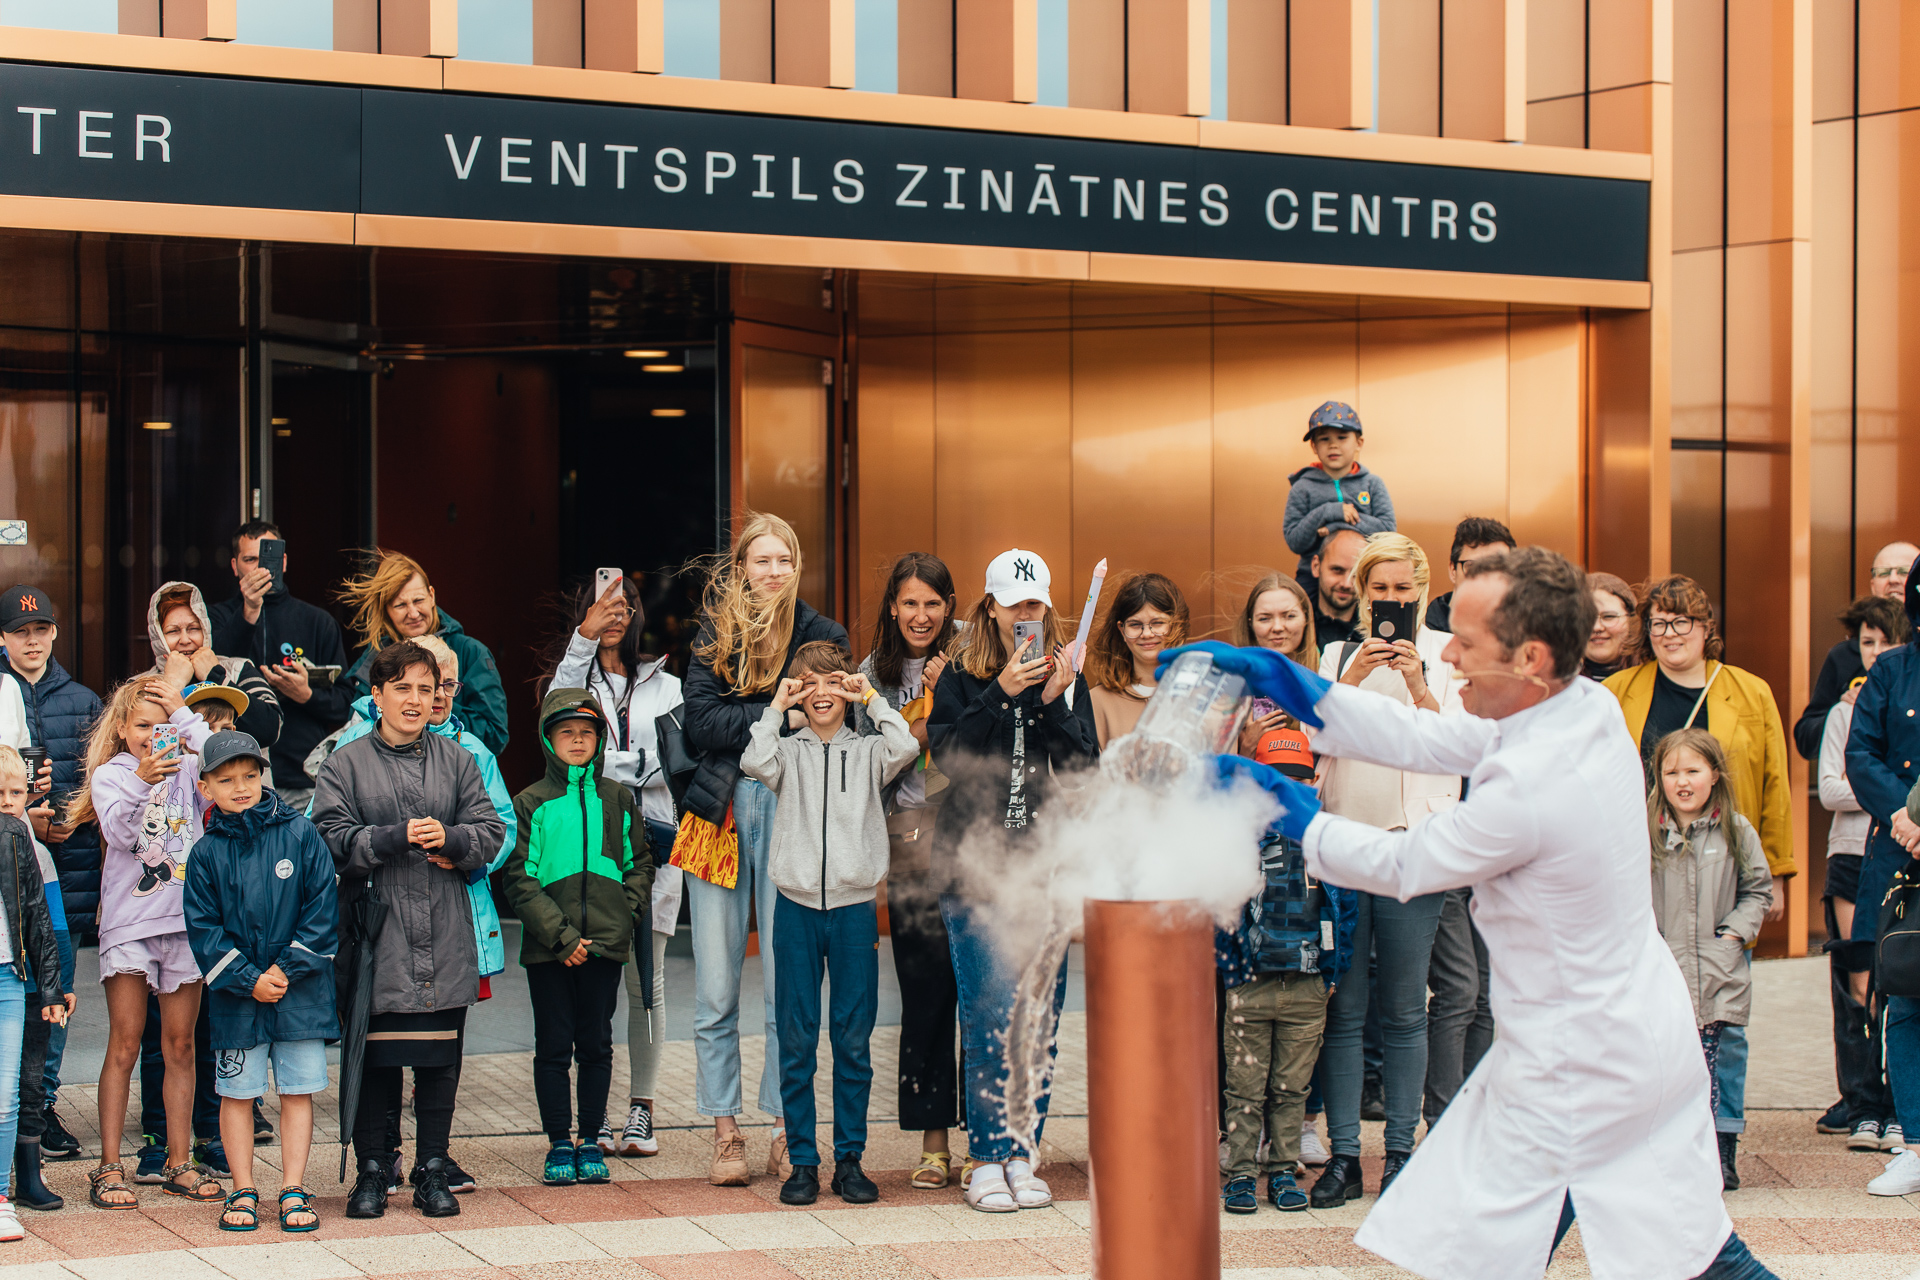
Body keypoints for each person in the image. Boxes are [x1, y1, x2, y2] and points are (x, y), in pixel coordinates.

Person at [1182, 544, 1780, 1280]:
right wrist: (1302, 689)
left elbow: (1404, 864)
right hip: (1624, 1039)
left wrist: (1291, 812)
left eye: (1465, 644)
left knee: (1502, 1251)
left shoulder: (1533, 786)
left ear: (1530, 657)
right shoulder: (1577, 705)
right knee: (1689, 1252)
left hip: (1582, 1067)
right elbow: (1432, 736)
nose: (1450, 657)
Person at [312, 632, 514, 1197]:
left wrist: (451, 839)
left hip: (446, 929)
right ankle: (373, 1170)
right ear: (376, 694)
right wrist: (388, 838)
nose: (416, 699)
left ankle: (432, 1168)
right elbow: (325, 837)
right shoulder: (346, 763)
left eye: (427, 689)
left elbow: (491, 831)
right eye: (402, 687)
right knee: (376, 1056)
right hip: (377, 932)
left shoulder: (460, 758)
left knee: (438, 1057)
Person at [679, 513, 847, 1187]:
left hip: (792, 811)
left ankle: (785, 1128)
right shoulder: (714, 635)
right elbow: (699, 723)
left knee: (788, 986)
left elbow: (835, 714)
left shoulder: (822, 635)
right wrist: (780, 713)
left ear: (796, 564)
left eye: (784, 559)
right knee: (716, 985)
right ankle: (724, 1133)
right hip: (716, 816)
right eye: (761, 559)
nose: (773, 571)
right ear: (741, 566)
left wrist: (770, 715)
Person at [928, 547, 1097, 1213]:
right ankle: (986, 1157)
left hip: (1041, 871)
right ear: (991, 608)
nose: (1026, 614)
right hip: (974, 872)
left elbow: (1084, 768)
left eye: (1036, 603)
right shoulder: (964, 678)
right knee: (989, 1014)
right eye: (1013, 603)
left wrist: (1054, 703)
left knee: (1039, 1019)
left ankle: (1024, 1153)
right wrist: (1003, 692)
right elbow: (948, 758)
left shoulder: (1065, 674)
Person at [1308, 532, 1463, 1207]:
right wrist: (1347, 682)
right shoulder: (1337, 653)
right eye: (1380, 591)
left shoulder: (1445, 661)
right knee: (1346, 1009)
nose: (1392, 602)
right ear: (1361, 594)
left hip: (1413, 850)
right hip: (1345, 845)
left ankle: (1401, 1151)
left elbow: (1457, 749)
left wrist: (1418, 685)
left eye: (1403, 590)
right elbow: (1311, 742)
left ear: (1421, 591)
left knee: (1405, 1009)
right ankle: (1344, 1155)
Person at [742, 641, 918, 1206]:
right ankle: (802, 1162)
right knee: (796, 1038)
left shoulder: (868, 752)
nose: (822, 693)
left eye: (832, 682)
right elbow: (752, 760)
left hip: (852, 909)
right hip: (793, 908)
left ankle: (849, 1159)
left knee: (852, 1039)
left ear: (846, 690)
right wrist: (777, 705)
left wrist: (867, 693)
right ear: (797, 691)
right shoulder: (786, 753)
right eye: (808, 683)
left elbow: (907, 744)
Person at [68, 676, 223, 1210]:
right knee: (125, 1043)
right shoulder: (112, 775)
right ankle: (109, 1167)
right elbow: (119, 833)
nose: (154, 736)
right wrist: (141, 778)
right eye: (143, 726)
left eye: (163, 726)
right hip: (131, 925)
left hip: (184, 922)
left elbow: (224, 756)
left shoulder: (190, 770)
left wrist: (184, 714)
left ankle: (179, 1161)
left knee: (180, 1045)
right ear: (121, 729)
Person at [544, 574, 682, 1157]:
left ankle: (641, 1108)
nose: (616, 614)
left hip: (650, 840)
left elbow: (680, 760)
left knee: (645, 979)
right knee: (594, 983)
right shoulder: (579, 674)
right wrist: (583, 638)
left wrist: (627, 767)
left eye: (625, 605)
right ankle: (595, 1115)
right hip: (585, 846)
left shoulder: (667, 683)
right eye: (604, 605)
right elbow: (556, 709)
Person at [181, 730, 337, 1234]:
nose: (241, 786)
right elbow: (202, 930)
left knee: (297, 1091)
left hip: (300, 992)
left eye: (250, 775)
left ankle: (294, 1187)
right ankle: (242, 1189)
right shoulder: (204, 854)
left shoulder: (299, 833)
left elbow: (321, 911)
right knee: (237, 1093)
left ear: (262, 775)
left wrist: (283, 970)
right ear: (206, 787)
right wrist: (249, 979)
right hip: (237, 998)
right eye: (226, 779)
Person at [504, 691, 651, 1189]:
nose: (577, 740)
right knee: (552, 1046)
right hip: (550, 950)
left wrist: (624, 916)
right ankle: (558, 1143)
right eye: (566, 732)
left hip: (605, 946)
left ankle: (590, 1138)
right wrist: (562, 938)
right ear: (548, 740)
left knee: (596, 1045)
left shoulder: (618, 798)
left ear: (601, 741)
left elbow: (639, 864)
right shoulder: (531, 802)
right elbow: (520, 880)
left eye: (587, 733)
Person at [854, 552, 962, 1189]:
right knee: (924, 994)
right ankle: (932, 1143)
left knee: (976, 993)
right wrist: (925, 707)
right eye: (910, 603)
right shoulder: (871, 676)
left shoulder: (978, 665)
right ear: (892, 607)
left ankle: (985, 1138)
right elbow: (877, 765)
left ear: (950, 607)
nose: (921, 615)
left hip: (971, 838)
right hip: (911, 841)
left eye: (933, 603)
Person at [1649, 728, 1775, 1189]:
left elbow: (1758, 890)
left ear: (1714, 775)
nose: (1682, 781)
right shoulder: (1647, 833)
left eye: (1693, 770)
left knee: (1724, 1059)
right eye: (1672, 771)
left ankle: (1722, 1148)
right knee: (1670, 1063)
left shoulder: (1735, 830)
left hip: (1720, 967)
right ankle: (1674, 1150)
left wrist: (1734, 934)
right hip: (1665, 971)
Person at [1217, 827, 1355, 1215]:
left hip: (1307, 987)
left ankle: (1281, 1171)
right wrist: (1232, 972)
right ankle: (1241, 1174)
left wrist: (1332, 977)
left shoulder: (1325, 846)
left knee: (1292, 1088)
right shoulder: (1241, 843)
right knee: (1244, 1088)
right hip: (1251, 986)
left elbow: (1347, 913)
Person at [0, 586, 92, 1160]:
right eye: (19, 632)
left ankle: (44, 1105)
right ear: (3, 638)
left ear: (55, 633)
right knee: (17, 989)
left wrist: (63, 820)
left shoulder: (82, 700)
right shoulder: (5, 690)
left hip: (68, 864)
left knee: (54, 991)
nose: (32, 641)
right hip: (15, 857)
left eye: (41, 631)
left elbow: (100, 778)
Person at [1841, 569, 1920, 1196]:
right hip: (1904, 857)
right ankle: (1915, 1142)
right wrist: (1903, 816)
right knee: (1907, 999)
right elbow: (1861, 753)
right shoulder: (1892, 671)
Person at [1815, 594, 1904, 1147]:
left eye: (1885, 641)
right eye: (1866, 642)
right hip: (1852, 854)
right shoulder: (1844, 712)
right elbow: (1830, 787)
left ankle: (1898, 1100)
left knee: (1901, 977)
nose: (1875, 652)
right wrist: (1894, 800)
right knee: (1858, 982)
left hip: (1902, 853)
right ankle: (1862, 1097)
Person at [208, 521, 355, 809]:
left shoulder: (317, 621)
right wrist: (249, 610)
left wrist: (307, 695)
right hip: (233, 775)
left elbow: (346, 702)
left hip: (300, 775)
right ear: (235, 566)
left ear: (283, 562)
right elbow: (213, 675)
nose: (259, 568)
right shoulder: (215, 618)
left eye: (267, 559)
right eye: (250, 560)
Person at [339, 550, 509, 757]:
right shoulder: (375, 659)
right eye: (400, 605)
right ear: (386, 611)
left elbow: (495, 736)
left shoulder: (471, 653)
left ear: (431, 595)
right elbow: (357, 729)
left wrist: (440, 706)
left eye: (418, 600)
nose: (413, 613)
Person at [0, 746, 72, 1212]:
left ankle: (15, 1184)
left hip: (15, 976)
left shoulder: (27, 844)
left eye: (16, 792)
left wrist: (55, 985)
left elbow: (45, 921)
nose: (8, 801)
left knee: (19, 1087)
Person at [1794, 540, 1920, 760]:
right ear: (1873, 585)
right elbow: (1806, 738)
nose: (1893, 579)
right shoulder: (1844, 655)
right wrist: (1843, 712)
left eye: (1903, 572)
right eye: (1883, 573)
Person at [146, 582, 282, 753]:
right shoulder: (140, 685)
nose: (185, 639)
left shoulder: (239, 669)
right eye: (173, 631)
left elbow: (270, 730)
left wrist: (215, 676)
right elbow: (140, 740)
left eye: (193, 628)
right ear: (158, 637)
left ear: (205, 629)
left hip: (238, 779)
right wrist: (173, 684)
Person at [1283, 401, 1396, 607]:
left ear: (1359, 442)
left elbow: (1388, 531)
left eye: (1342, 438)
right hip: (1312, 577)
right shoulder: (1302, 487)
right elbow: (1294, 539)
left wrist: (1335, 526)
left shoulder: (1372, 484)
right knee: (1301, 617)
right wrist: (1329, 511)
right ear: (1314, 446)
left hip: (1365, 576)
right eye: (1324, 439)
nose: (1333, 445)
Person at [1085, 572, 1189, 748]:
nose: (1147, 634)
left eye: (1157, 623)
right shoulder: (1097, 701)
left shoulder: (1201, 695)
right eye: (1135, 624)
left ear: (1176, 624)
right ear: (1121, 630)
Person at [1423, 517, 1514, 633]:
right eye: (1473, 567)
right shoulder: (1421, 634)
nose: (1485, 578)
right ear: (1453, 571)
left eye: (1497, 568)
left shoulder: (1524, 633)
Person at [1309, 528, 1368, 650]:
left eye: (1355, 574)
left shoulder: (1375, 635)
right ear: (1316, 566)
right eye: (1337, 570)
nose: (1346, 584)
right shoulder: (1291, 626)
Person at [1583, 572, 1639, 681]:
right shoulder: (1550, 684)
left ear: (1632, 621)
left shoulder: (1655, 680)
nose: (1596, 627)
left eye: (1608, 616)